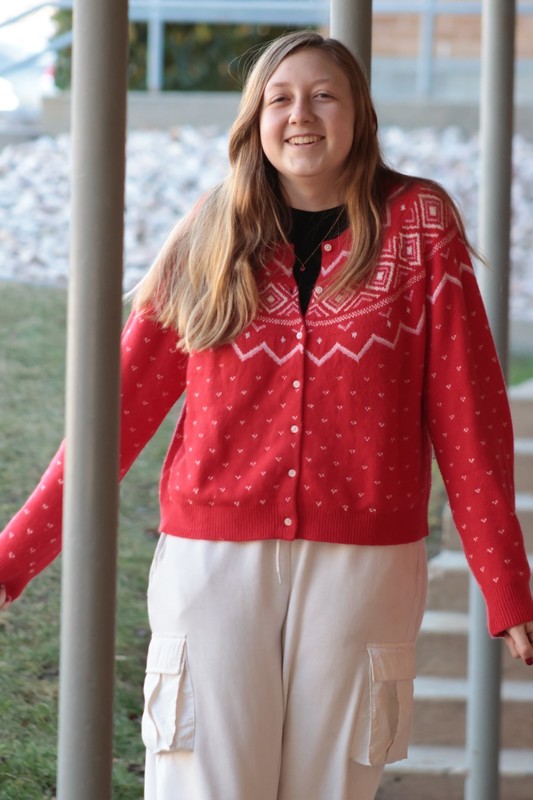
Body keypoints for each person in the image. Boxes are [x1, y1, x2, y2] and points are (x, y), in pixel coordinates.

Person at [1, 30, 532, 800]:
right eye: (278, 98)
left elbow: (469, 416)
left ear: (360, 116)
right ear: (253, 122)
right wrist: (12, 557)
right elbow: (111, 419)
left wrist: (505, 585)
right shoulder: (209, 237)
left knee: (333, 787)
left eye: (324, 95)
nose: (300, 114)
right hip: (211, 563)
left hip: (366, 564)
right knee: (201, 786)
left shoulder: (420, 226)